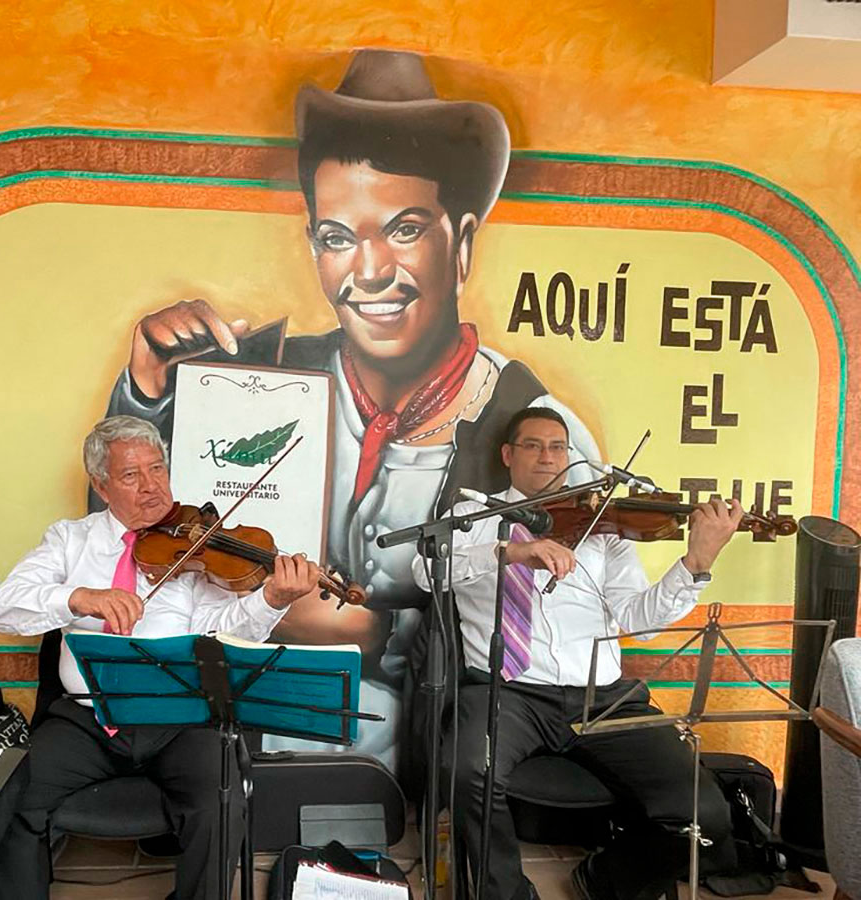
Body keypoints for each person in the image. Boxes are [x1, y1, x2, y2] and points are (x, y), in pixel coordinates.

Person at [103, 49, 599, 768]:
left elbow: (565, 599)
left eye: (404, 230)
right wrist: (149, 388)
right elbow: (138, 527)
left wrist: (380, 629)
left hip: (425, 739)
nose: (368, 272)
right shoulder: (266, 373)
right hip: (249, 719)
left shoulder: (531, 421)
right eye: (337, 238)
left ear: (461, 244)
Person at [0, 415, 321, 900]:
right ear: (101, 485)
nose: (151, 486)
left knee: (220, 800)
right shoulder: (69, 540)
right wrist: (79, 598)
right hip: (88, 719)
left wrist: (271, 600)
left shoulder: (195, 545)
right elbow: (1, 607)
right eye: (130, 475)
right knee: (13, 795)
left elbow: (225, 630)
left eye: (157, 469)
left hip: (179, 718)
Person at [415, 407, 740, 900]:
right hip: (508, 693)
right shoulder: (472, 518)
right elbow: (425, 572)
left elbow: (640, 622)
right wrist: (510, 552)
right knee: (466, 770)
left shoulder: (605, 530)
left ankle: (606, 879)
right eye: (533, 445)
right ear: (508, 454)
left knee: (705, 813)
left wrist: (696, 562)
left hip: (602, 698)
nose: (547, 457)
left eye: (558, 447)